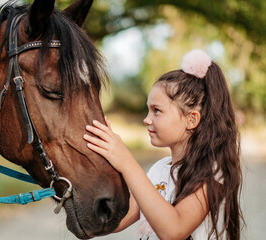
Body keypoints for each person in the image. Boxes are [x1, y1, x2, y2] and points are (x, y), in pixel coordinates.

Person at [83, 49, 243, 240]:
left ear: (191, 120)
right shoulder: (159, 170)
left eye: (156, 111)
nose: (146, 119)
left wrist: (126, 162)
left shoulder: (212, 173)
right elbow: (113, 220)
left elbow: (174, 230)